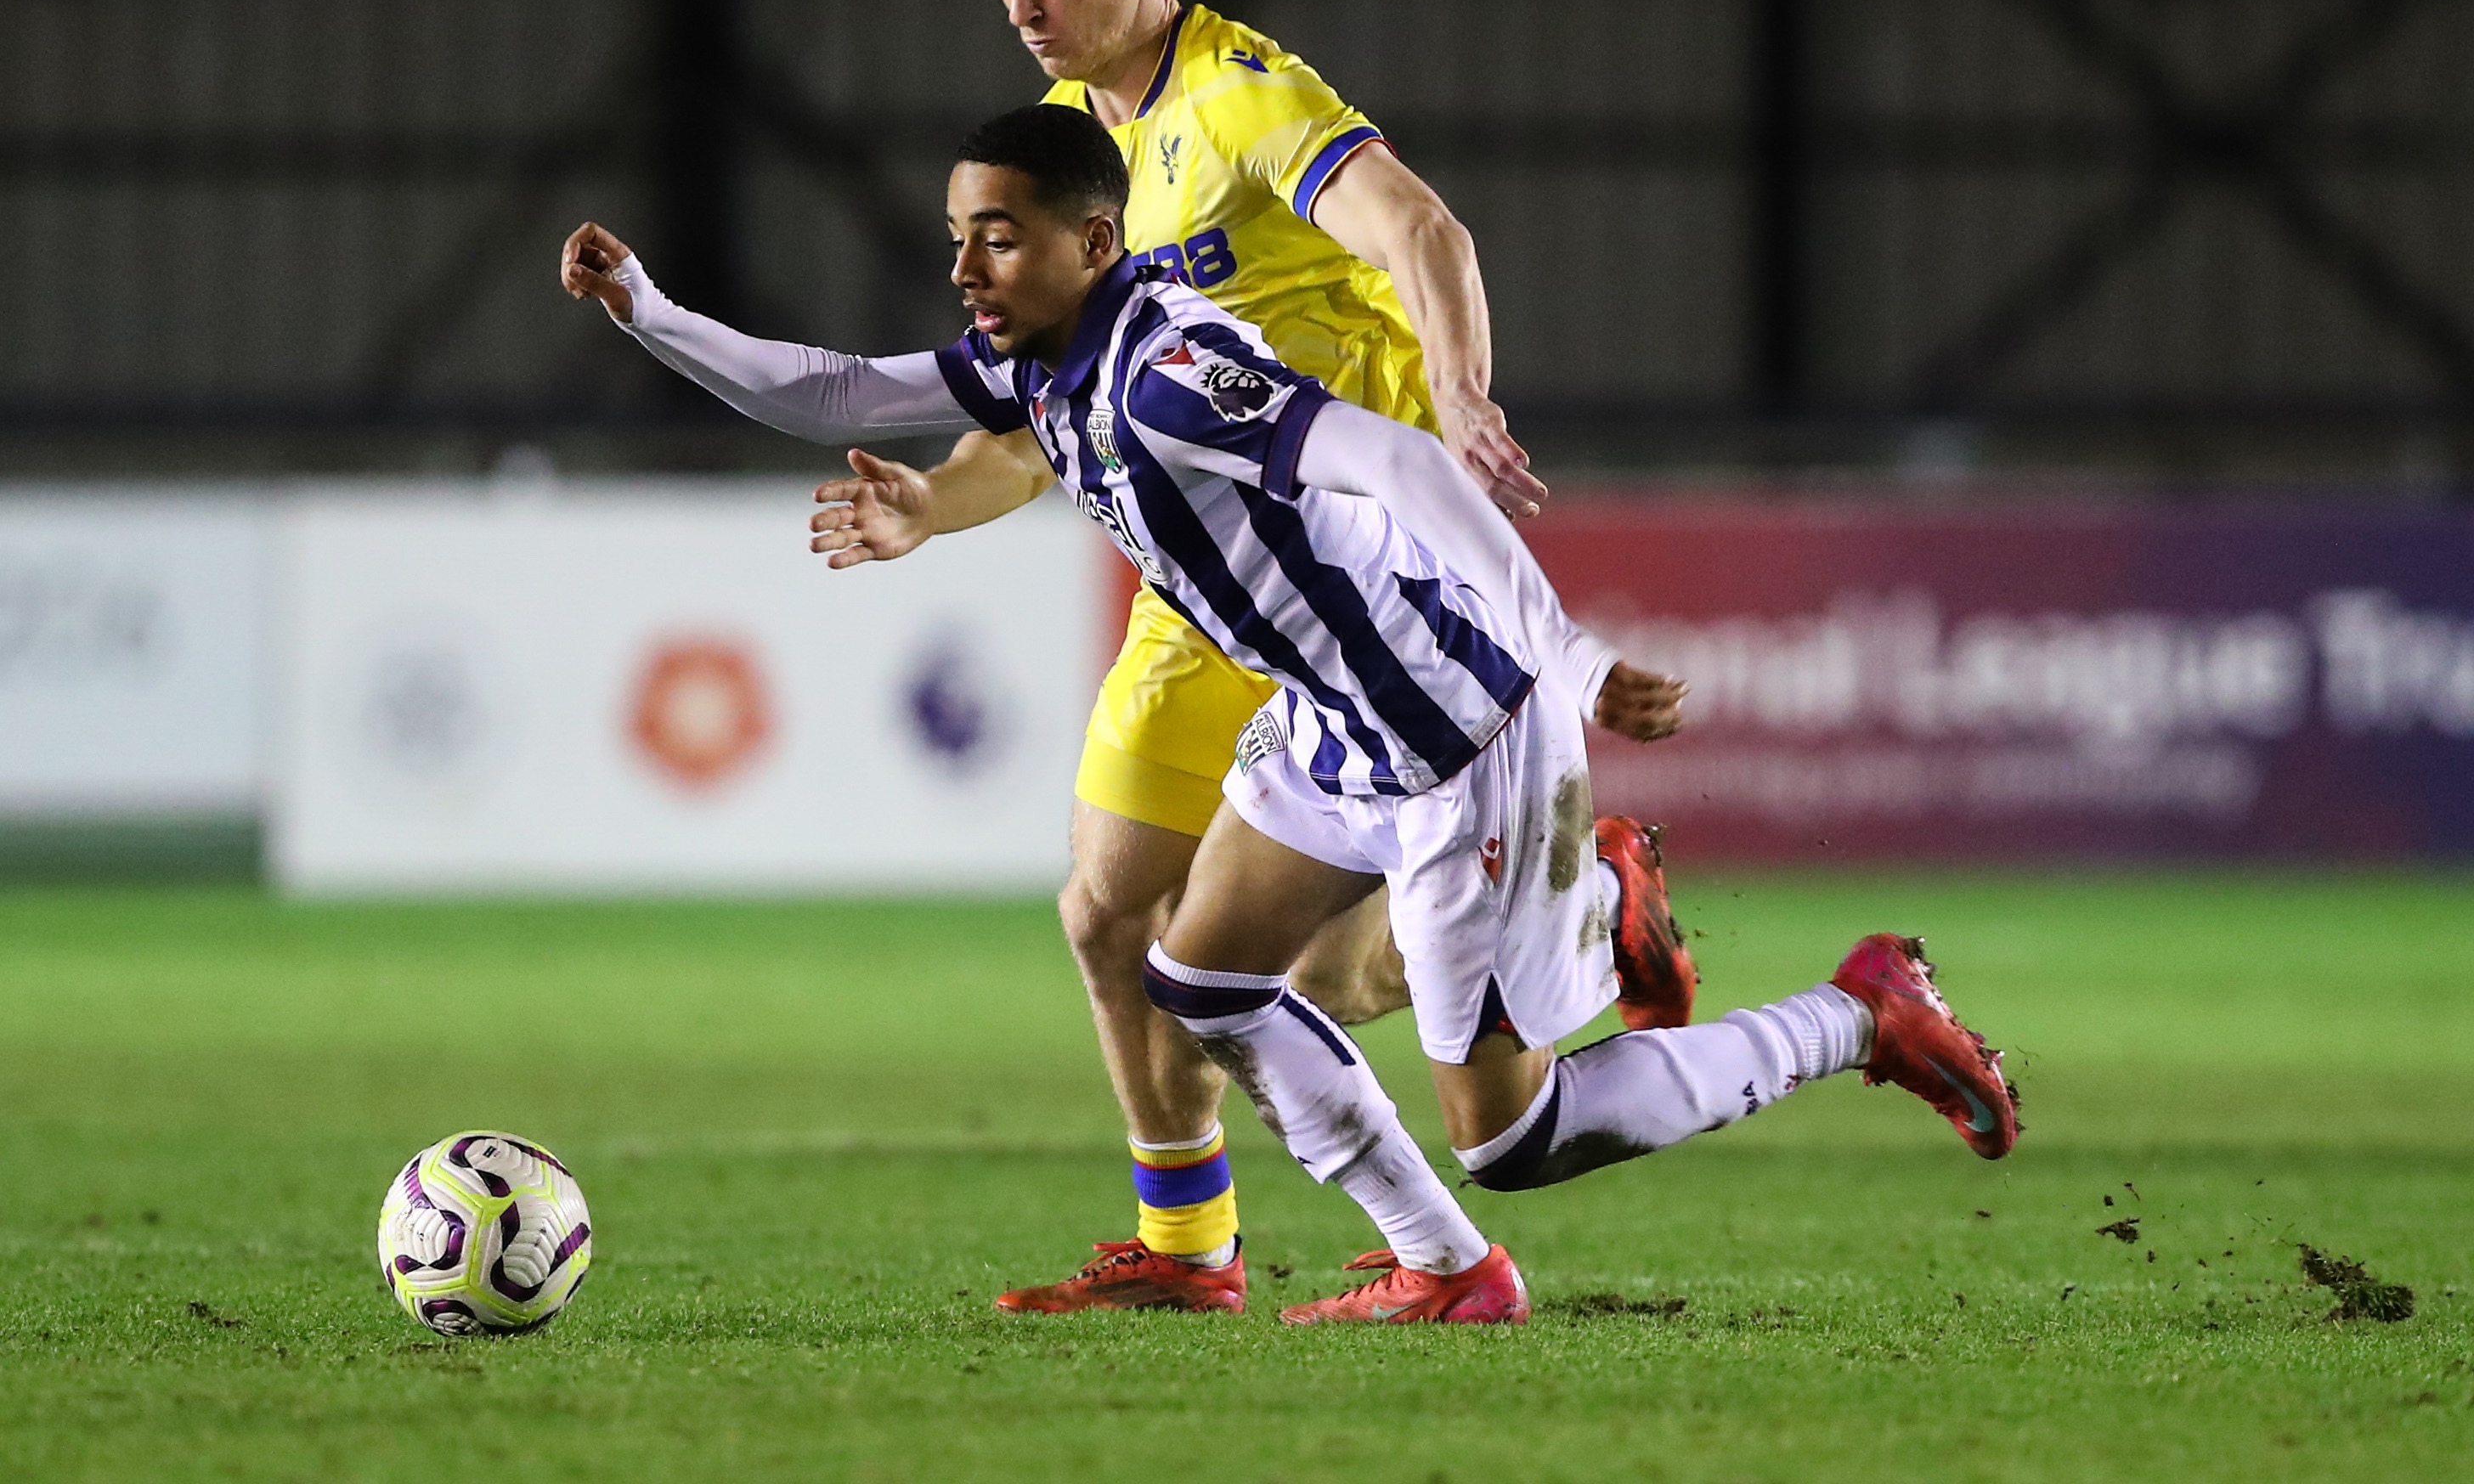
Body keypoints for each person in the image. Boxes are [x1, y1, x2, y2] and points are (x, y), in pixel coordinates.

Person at [563, 103, 2021, 1325]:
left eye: (996, 234)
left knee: (1511, 1135)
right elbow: (835, 390)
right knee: (1195, 980)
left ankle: (1859, 1013)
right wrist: (650, 312)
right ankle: (1448, 1272)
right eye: (959, 233)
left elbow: (1398, 467)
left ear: (1093, 240)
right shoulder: (1031, 357)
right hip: (1332, 728)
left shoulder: (1168, 373)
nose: (965, 265)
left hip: (1462, 735)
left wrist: (1567, 658)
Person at [647, 0, 1697, 1314]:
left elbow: (1425, 234)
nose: (1021, 3)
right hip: (1195, 584)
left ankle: (1584, 919)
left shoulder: (1243, 95)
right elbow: (1023, 412)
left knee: (1313, 985)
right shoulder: (1066, 152)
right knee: (1107, 915)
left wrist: (1460, 387)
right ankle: (1190, 1249)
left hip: (1339, 570)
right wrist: (933, 504)